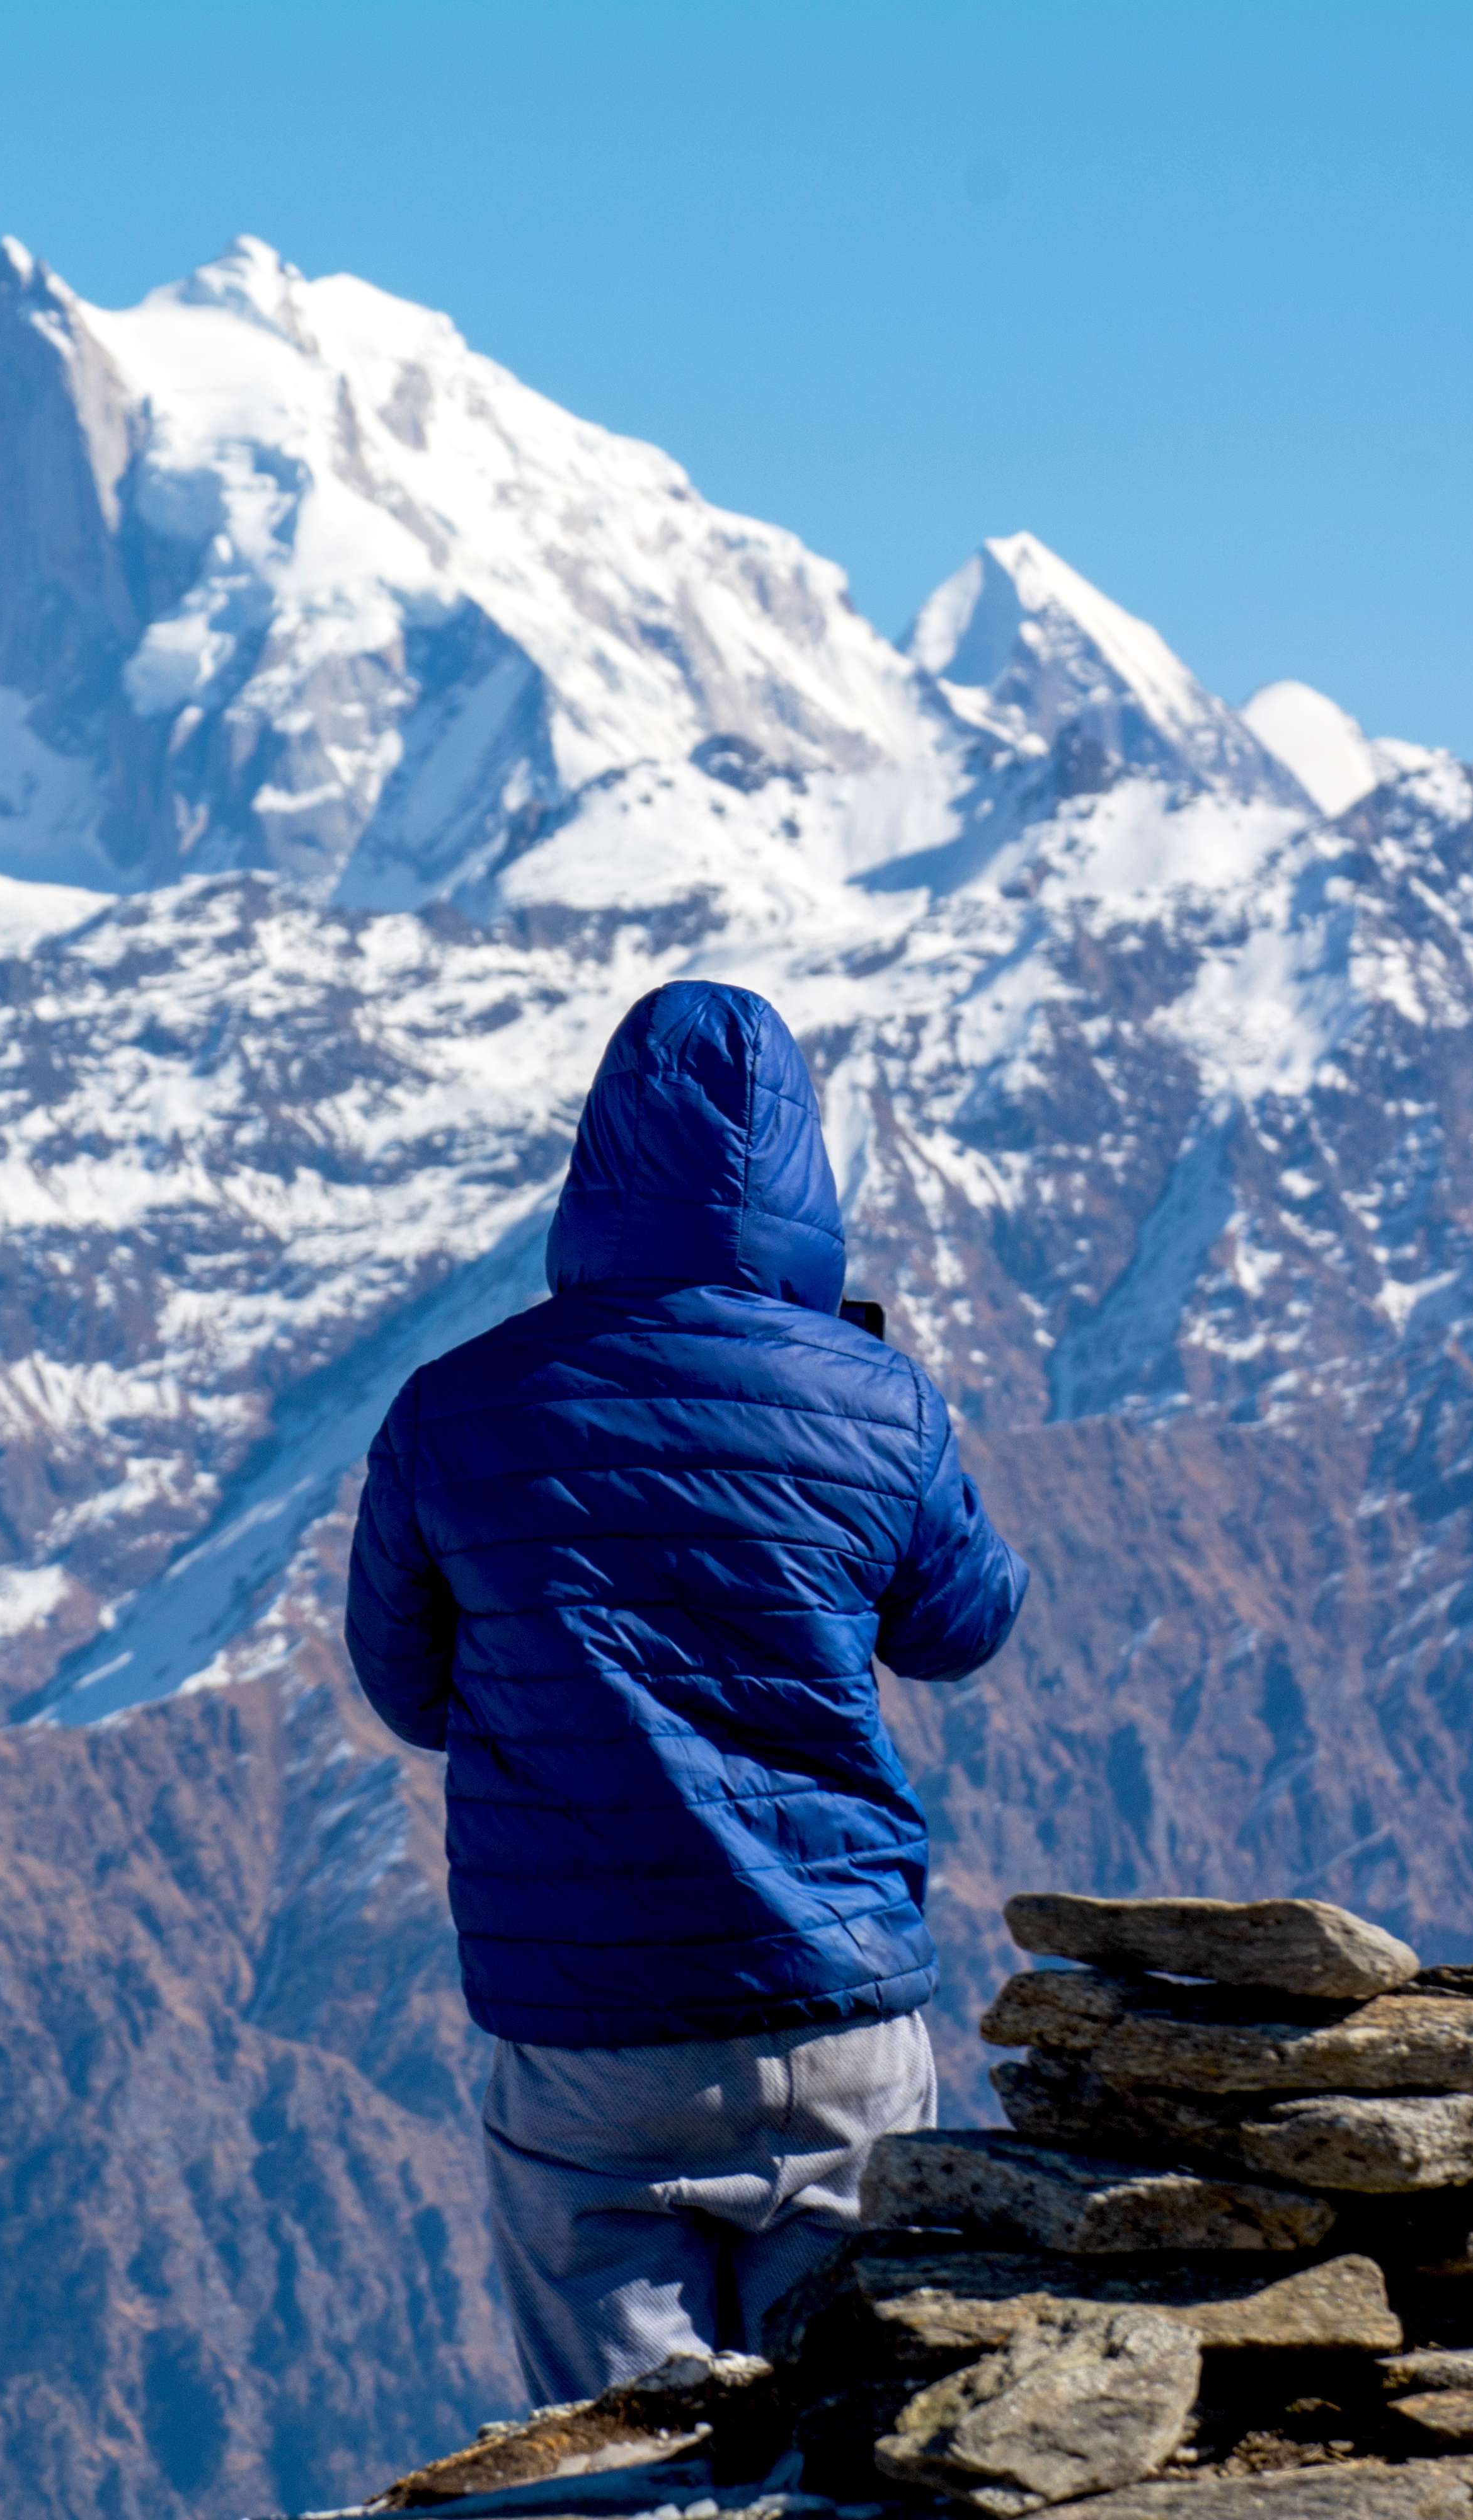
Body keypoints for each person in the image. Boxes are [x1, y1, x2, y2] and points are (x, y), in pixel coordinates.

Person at [343, 979, 1028, 2407]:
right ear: (806, 1179)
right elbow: (963, 1628)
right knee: (848, 2440)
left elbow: (410, 1689)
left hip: (587, 2028)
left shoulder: (451, 1408)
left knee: (616, 2457)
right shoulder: (875, 1398)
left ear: (596, 1168)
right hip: (832, 2005)